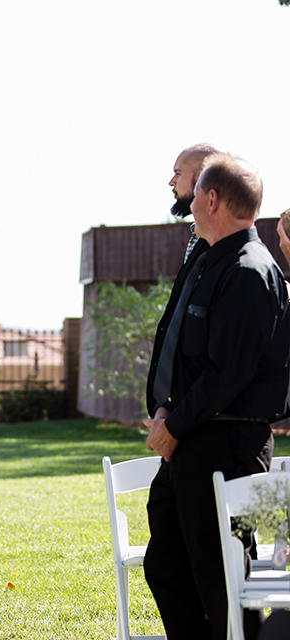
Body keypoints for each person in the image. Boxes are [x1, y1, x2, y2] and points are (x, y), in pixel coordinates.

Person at [142, 153, 290, 640]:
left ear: (211, 199)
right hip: (189, 440)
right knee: (166, 564)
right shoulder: (210, 260)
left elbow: (228, 374)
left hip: (226, 446)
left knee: (222, 580)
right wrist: (165, 406)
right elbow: (186, 354)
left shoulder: (249, 270)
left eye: (194, 190)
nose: (184, 199)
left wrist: (173, 425)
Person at [169, 143, 220, 262]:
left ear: (202, 177)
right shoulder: (199, 235)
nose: (172, 182)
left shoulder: (221, 245)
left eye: (178, 173)